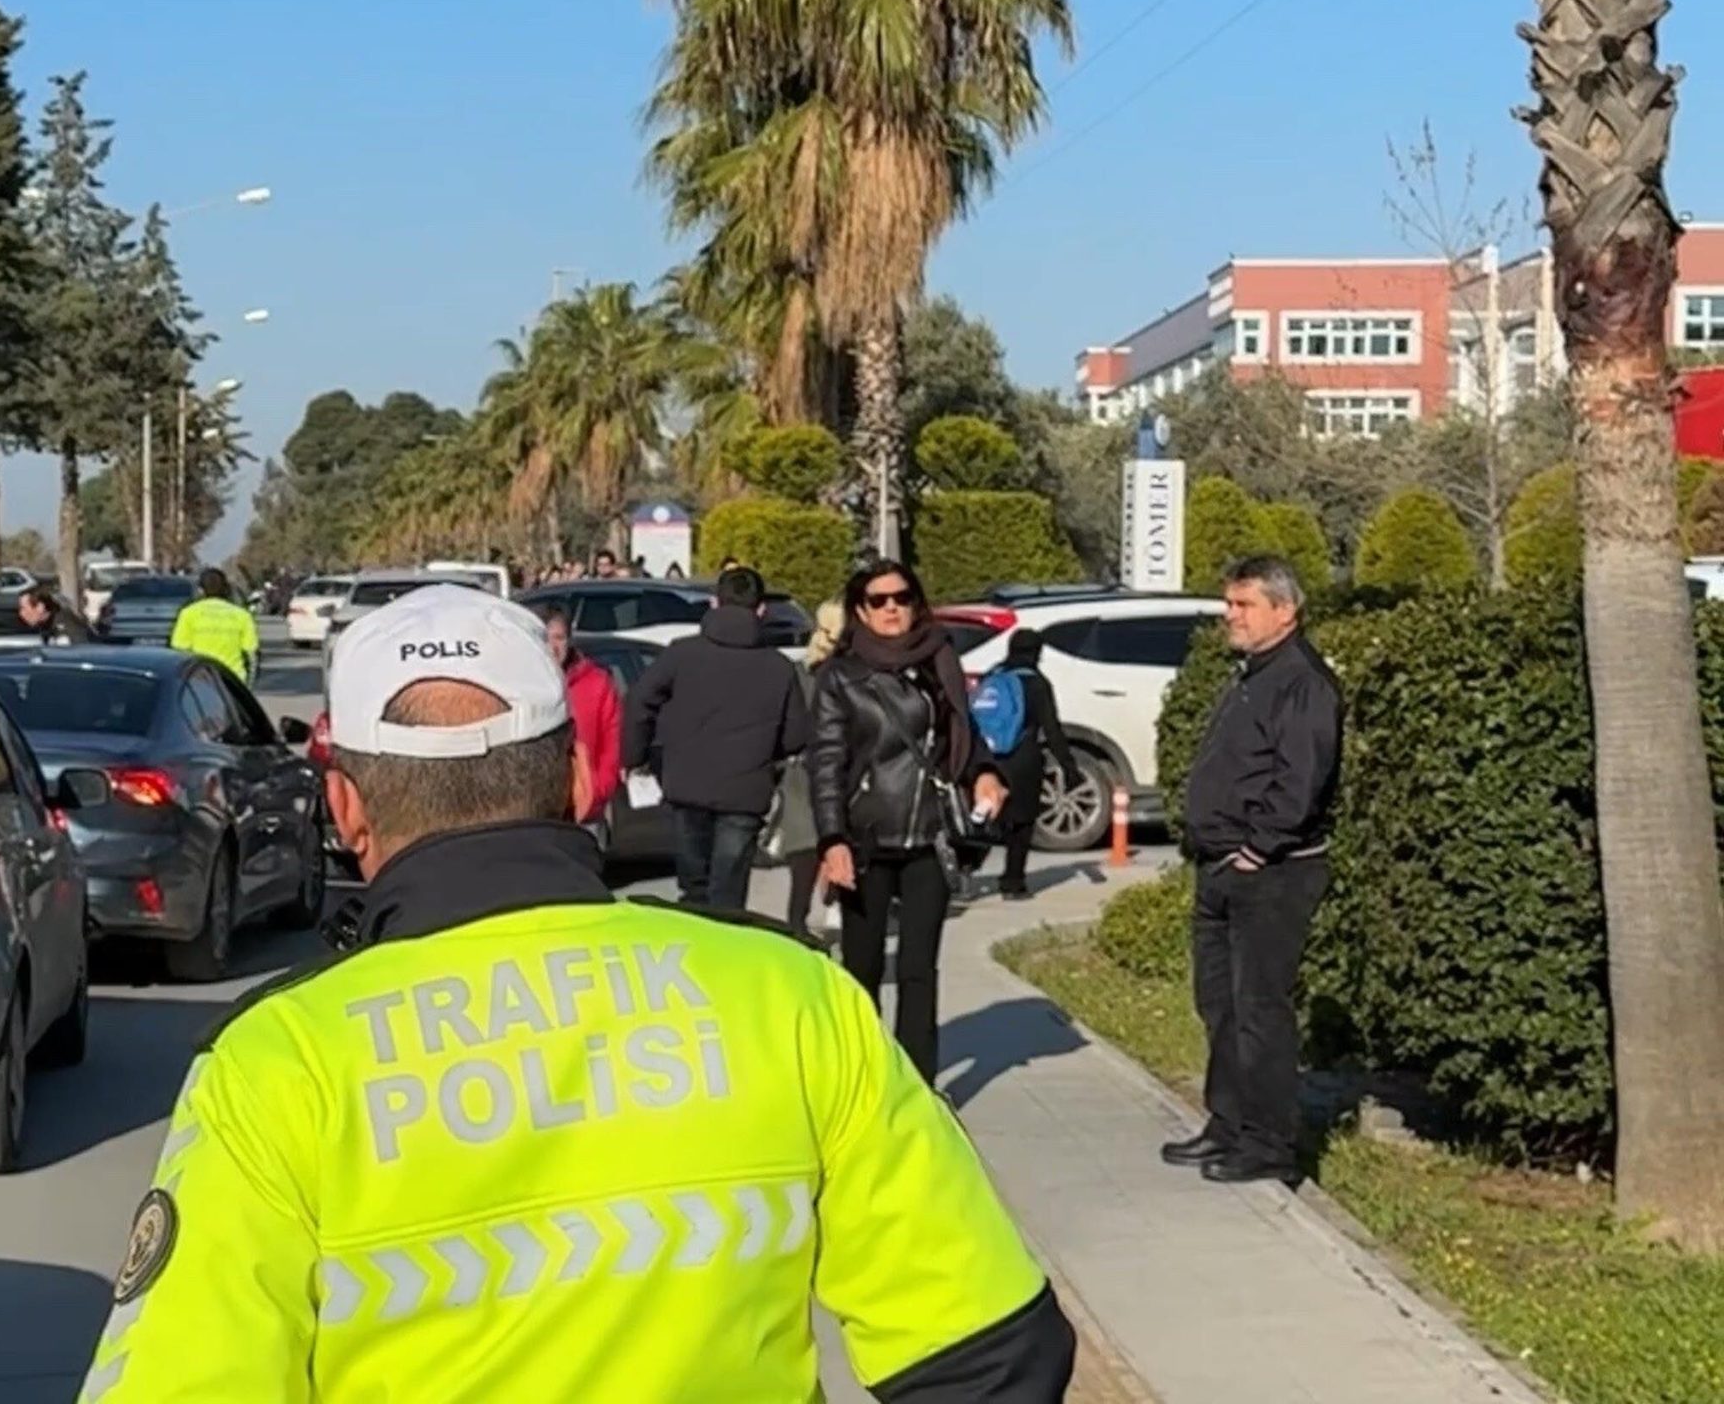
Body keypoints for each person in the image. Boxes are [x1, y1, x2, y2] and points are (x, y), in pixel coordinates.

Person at [77, 584, 1076, 1402]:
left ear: (344, 807)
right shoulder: (785, 994)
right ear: (583, 775)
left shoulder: (278, 1062)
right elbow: (990, 1351)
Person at [1167, 555, 1343, 1187]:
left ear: (1285, 611)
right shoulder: (1251, 675)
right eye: (1229, 604)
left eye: (1244, 605)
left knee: (1259, 1008)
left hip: (1270, 873)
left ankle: (1269, 1143)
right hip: (1220, 866)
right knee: (1217, 1002)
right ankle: (1229, 1122)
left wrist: (1258, 848)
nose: (1231, 616)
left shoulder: (1303, 683)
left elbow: (1301, 781)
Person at [807, 562, 1008, 1086]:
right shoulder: (840, 676)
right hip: (866, 838)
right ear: (860, 611)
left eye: (901, 597)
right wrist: (832, 839)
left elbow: (964, 736)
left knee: (919, 970)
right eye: (879, 601)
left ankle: (918, 1087)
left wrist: (985, 773)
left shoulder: (938, 660)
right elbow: (825, 764)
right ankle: (867, 1081)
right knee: (864, 969)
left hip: (930, 836)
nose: (892, 608)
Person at [621, 565, 810, 911]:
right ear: (761, 610)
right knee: (729, 892)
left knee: (694, 890)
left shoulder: (681, 654)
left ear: (713, 603)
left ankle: (696, 937)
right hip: (745, 790)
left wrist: (636, 755)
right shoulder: (779, 667)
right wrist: (764, 750)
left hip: (687, 783)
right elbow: (797, 735)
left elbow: (639, 701)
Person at [959, 629, 1079, 901]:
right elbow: (1052, 729)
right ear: (1037, 653)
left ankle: (965, 870)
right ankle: (1013, 882)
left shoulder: (993, 676)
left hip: (986, 759)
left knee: (983, 816)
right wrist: (1068, 767)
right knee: (1020, 826)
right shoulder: (1037, 683)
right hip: (1024, 760)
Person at [774, 600, 845, 940]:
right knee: (837, 837)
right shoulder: (851, 673)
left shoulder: (800, 672)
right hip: (837, 767)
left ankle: (797, 922)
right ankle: (832, 904)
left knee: (804, 849)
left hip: (801, 768)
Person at [536, 603, 621, 827]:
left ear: (569, 640)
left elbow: (613, 743)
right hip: (536, 812)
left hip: (585, 811)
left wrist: (598, 790)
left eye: (559, 638)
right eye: (545, 639)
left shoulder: (597, 682)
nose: (552, 646)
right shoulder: (522, 685)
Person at [170, 567, 261, 681]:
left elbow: (179, 651)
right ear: (226, 588)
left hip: (200, 680)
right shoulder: (242, 615)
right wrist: (246, 686)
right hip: (233, 680)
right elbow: (252, 655)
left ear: (200, 590)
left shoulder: (188, 614)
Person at [17, 586, 95, 645]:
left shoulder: (65, 628)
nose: (21, 613)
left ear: (40, 607)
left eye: (24, 608)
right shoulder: (47, 624)